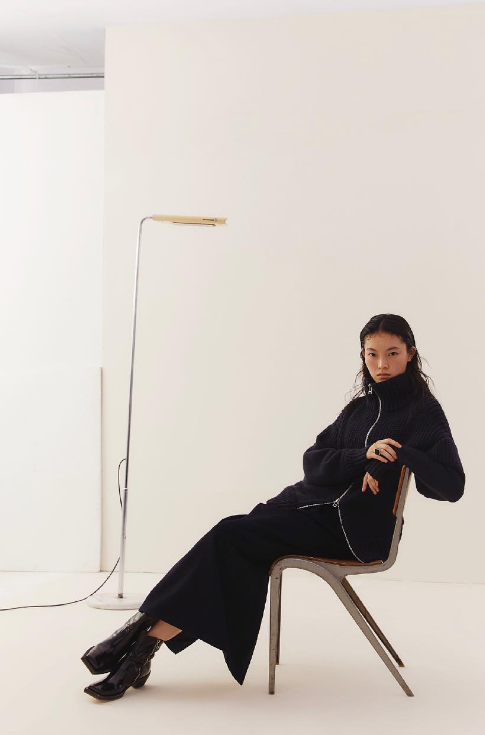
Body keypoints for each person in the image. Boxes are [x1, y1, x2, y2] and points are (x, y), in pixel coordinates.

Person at [82, 313, 465, 701]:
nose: (381, 364)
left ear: (410, 353)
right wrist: (361, 455)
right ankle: (143, 645)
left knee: (232, 537)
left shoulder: (423, 412)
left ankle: (135, 640)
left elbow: (453, 485)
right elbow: (313, 461)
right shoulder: (358, 409)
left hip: (354, 532)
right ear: (363, 356)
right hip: (306, 509)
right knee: (231, 541)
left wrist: (402, 454)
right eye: (372, 354)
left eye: (392, 353)